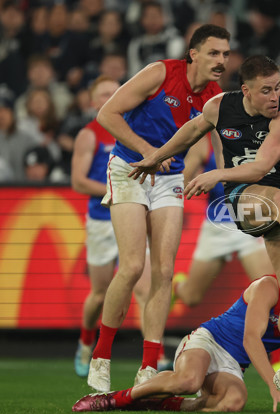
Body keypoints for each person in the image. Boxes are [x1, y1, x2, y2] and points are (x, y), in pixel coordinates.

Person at [128, 54, 280, 414]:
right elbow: (190, 131)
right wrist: (157, 156)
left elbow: (263, 166)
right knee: (274, 198)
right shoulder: (221, 106)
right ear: (246, 91)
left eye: (278, 87)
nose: (275, 96)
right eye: (266, 90)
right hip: (243, 201)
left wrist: (215, 173)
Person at [86, 24, 231, 394]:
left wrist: (218, 176)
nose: (222, 61)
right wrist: (149, 153)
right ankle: (101, 357)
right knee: (134, 266)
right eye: (214, 53)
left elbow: (215, 143)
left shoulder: (215, 97)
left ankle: (148, 366)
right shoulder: (161, 72)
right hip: (129, 169)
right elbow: (108, 114)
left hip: (170, 178)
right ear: (193, 53)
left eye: (226, 54)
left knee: (165, 271)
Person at [72, 248, 280, 414]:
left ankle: (161, 402)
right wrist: (276, 388)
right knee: (188, 381)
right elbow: (251, 339)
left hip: (233, 365)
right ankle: (114, 399)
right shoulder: (269, 286)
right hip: (209, 340)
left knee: (233, 403)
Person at [70, 76, 151, 378]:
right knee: (100, 293)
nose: (109, 97)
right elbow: (78, 180)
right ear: (93, 103)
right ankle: (85, 340)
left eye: (114, 92)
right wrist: (117, 187)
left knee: (144, 288)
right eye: (103, 94)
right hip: (103, 220)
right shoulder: (89, 135)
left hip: (133, 216)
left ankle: (152, 357)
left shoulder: (135, 130)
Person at [173, 135, 274, 307]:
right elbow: (182, 181)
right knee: (191, 298)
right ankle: (176, 286)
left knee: (269, 290)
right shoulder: (204, 138)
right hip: (217, 223)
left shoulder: (258, 131)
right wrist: (196, 182)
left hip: (251, 222)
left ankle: (262, 332)